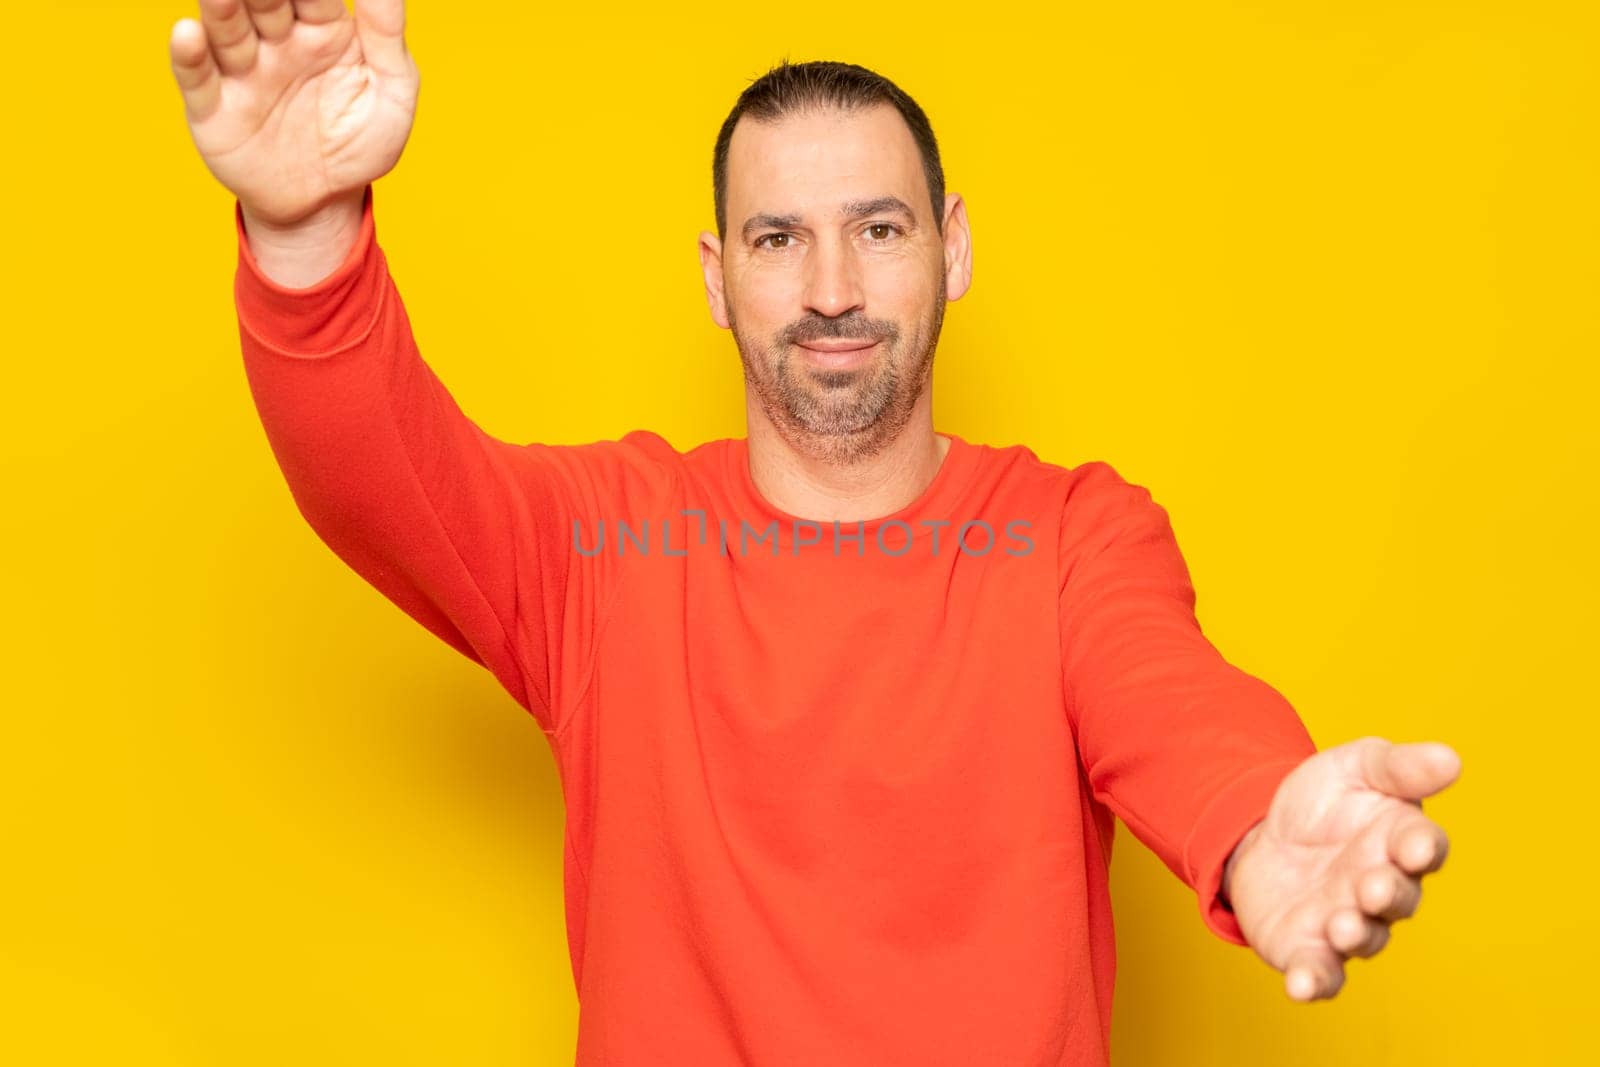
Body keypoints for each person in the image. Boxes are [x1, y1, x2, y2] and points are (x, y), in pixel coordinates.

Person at [168, 3, 1463, 1064]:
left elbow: (1169, 703)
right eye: (779, 239)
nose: (833, 291)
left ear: (950, 251)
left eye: (879, 230)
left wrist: (1253, 826)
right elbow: (377, 478)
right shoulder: (608, 548)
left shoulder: (1072, 538)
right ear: (716, 276)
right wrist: (305, 230)